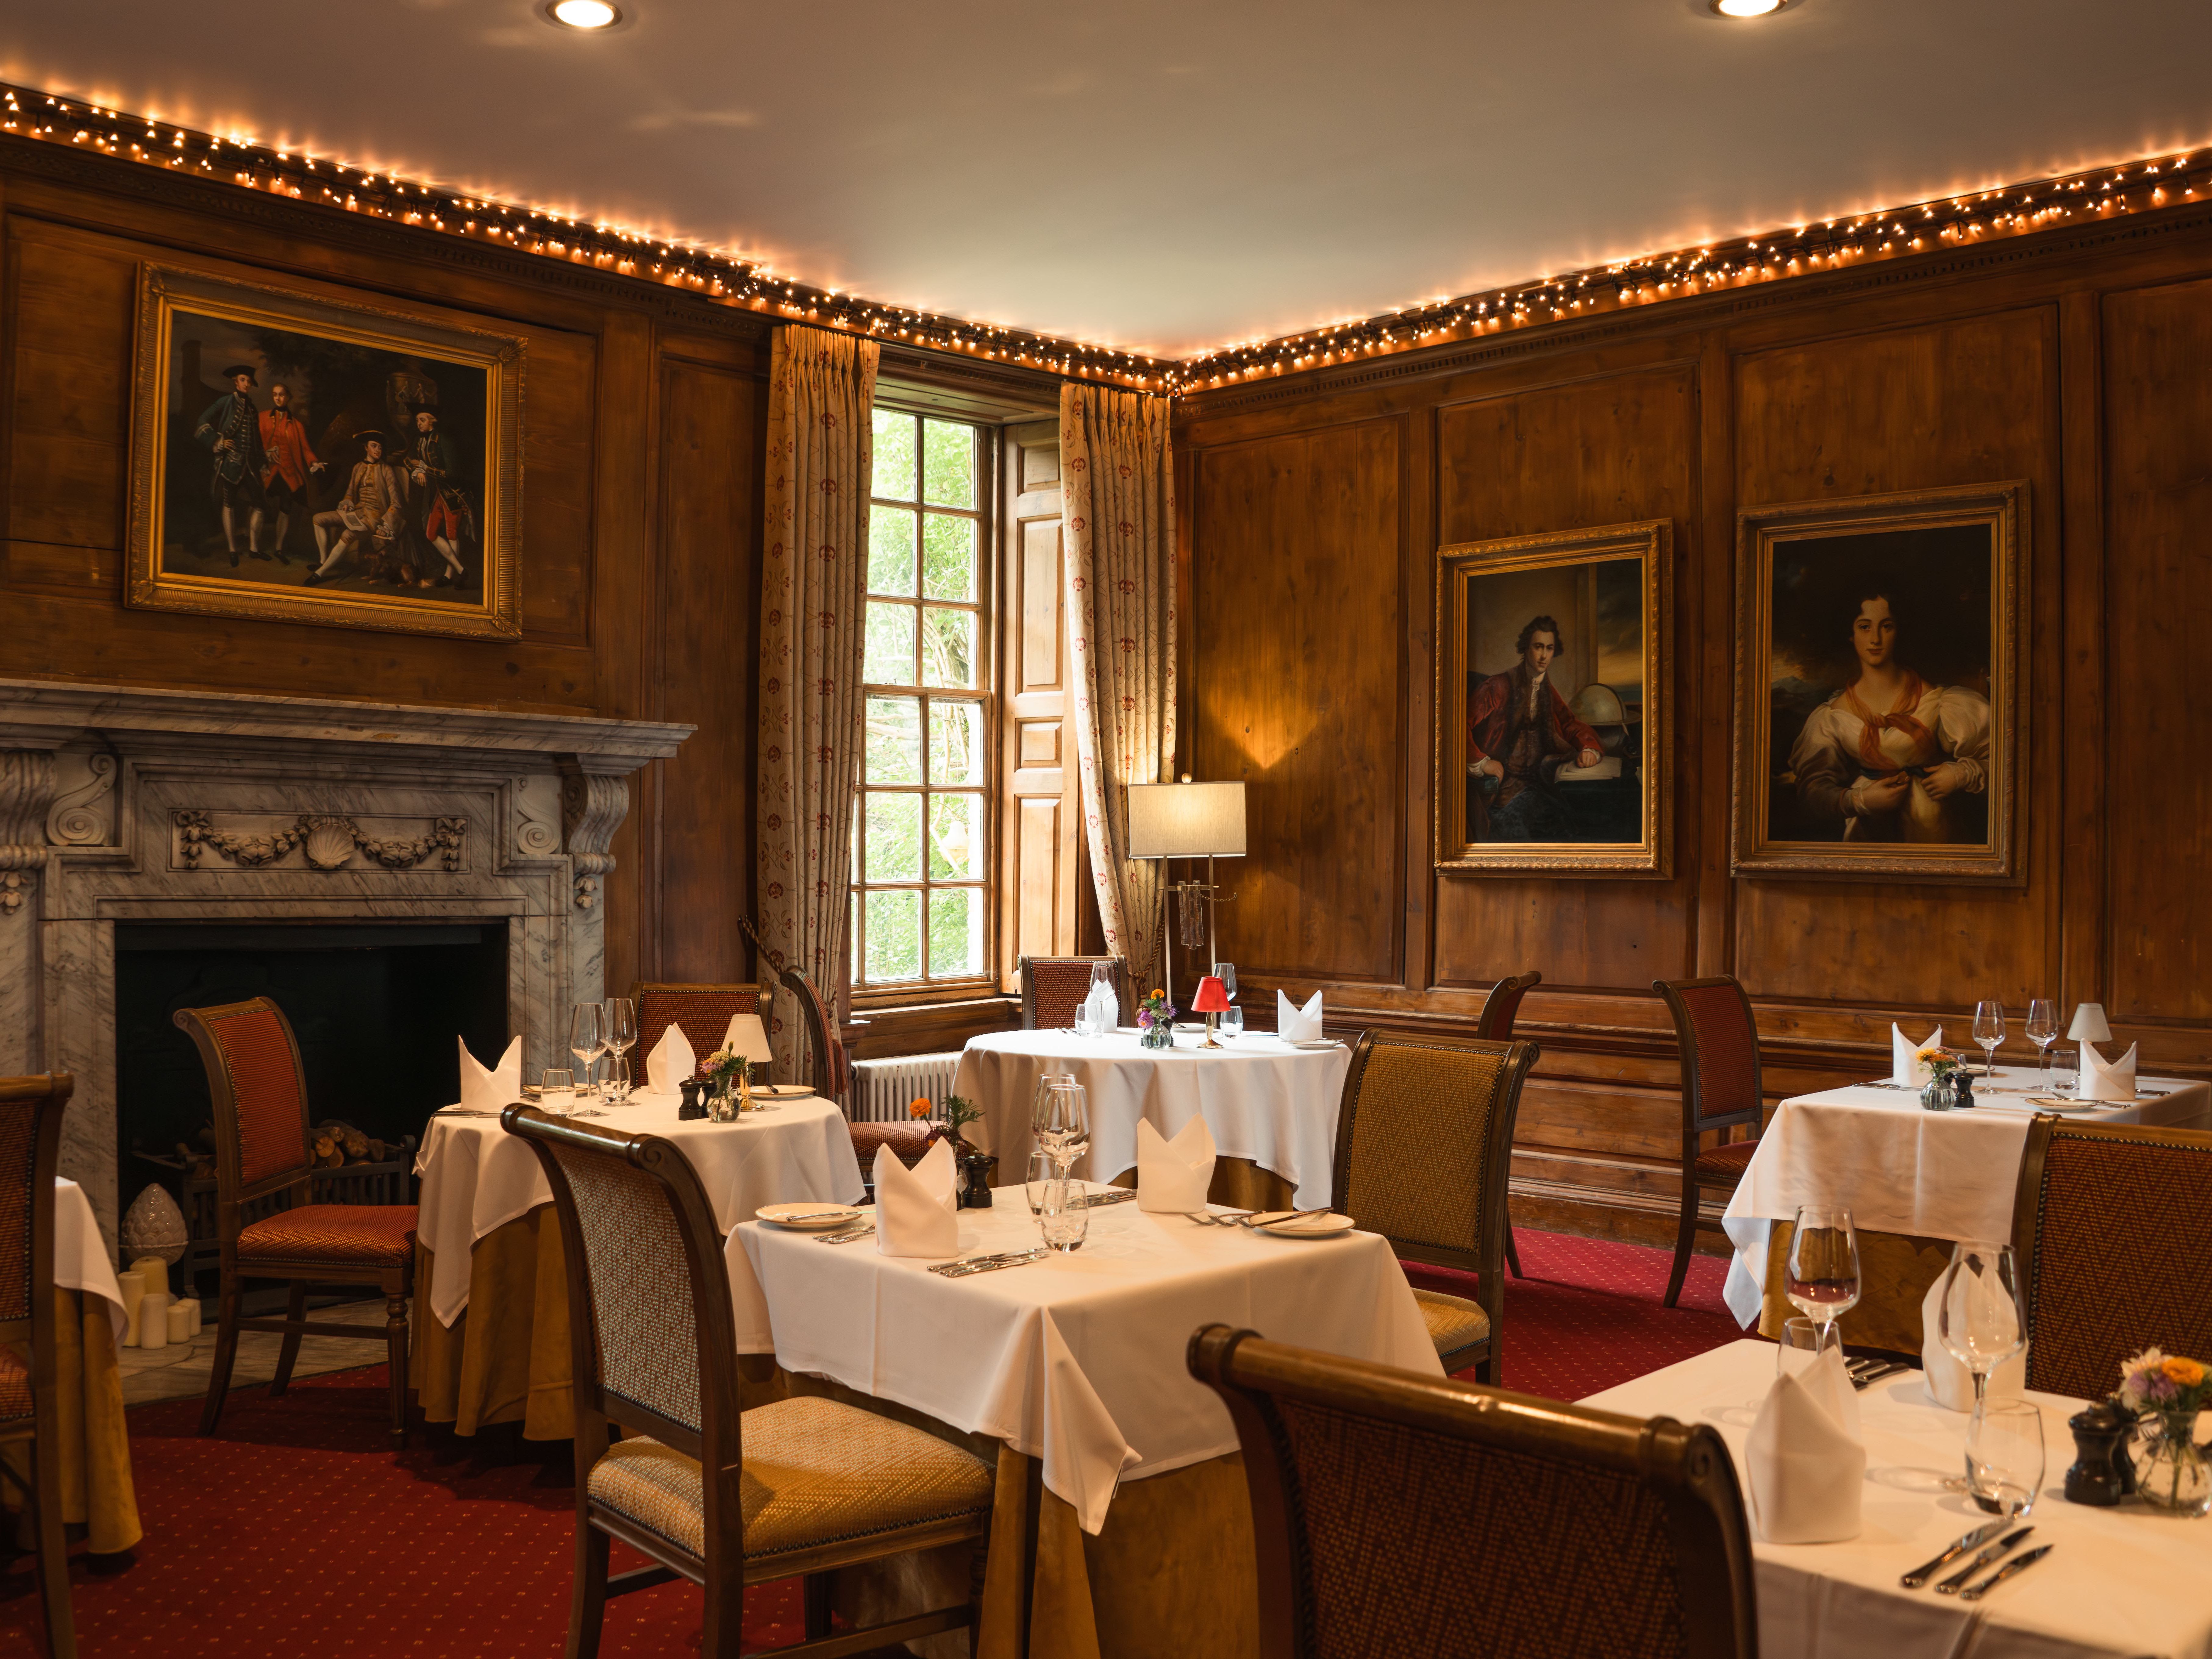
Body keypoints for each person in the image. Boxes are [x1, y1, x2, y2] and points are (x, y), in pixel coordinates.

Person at [1786, 591, 1990, 842]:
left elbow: (2006, 764)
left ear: (1899, 631)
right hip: (1868, 833)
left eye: (1887, 627)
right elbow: (1812, 791)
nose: (1875, 639)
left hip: (1932, 828)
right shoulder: (1832, 717)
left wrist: (1961, 775)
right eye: (1865, 627)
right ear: (1850, 635)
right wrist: (1860, 800)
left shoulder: (1940, 702)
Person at [1467, 615, 1604, 841]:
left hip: (1538, 785)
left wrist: (1589, 749)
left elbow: (1569, 724)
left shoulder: (1546, 689)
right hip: (1502, 794)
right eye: (1538, 647)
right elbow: (1457, 725)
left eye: (1549, 649)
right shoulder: (1498, 686)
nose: (1543, 656)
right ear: (1526, 648)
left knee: (1572, 829)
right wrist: (1482, 762)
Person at [305, 433, 409, 587]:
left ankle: (320, 573)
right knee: (318, 519)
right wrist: (347, 502)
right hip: (357, 513)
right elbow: (350, 493)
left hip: (375, 518)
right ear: (366, 448)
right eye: (374, 446)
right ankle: (323, 561)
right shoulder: (358, 468)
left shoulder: (386, 470)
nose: (378, 450)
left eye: (380, 448)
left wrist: (387, 524)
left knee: (348, 535)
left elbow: (396, 503)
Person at [191, 364, 267, 565]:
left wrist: (263, 462)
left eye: (249, 382)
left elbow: (257, 439)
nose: (247, 384)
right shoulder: (225, 402)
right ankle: (233, 550)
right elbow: (202, 421)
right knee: (229, 503)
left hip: (251, 464)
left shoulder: (252, 408)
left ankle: (253, 549)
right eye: (244, 380)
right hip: (231, 463)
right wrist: (218, 442)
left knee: (260, 504)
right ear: (236, 382)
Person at [255, 381, 325, 563]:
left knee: (286, 508)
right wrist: (264, 455)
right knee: (259, 505)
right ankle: (253, 547)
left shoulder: (297, 425)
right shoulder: (262, 418)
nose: (278, 398)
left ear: (288, 398)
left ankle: (279, 548)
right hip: (267, 470)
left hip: (288, 473)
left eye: (282, 395)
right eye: (275, 394)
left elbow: (306, 450)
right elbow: (255, 443)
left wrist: (315, 463)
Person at [404, 406, 472, 588]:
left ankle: (451, 576)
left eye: (423, 420)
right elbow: (408, 459)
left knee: (451, 534)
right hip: (437, 494)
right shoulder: (419, 441)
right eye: (417, 420)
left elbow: (452, 474)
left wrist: (426, 469)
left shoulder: (444, 441)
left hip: (453, 494)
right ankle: (461, 570)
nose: (418, 423)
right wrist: (417, 470)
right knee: (431, 534)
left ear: (433, 422)